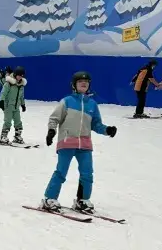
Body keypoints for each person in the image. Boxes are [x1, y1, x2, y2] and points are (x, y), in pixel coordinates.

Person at [39, 70, 117, 215]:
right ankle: (49, 199)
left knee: (87, 173)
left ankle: (83, 200)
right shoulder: (67, 101)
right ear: (74, 85)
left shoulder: (92, 104)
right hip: (67, 142)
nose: (83, 84)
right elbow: (54, 118)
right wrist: (51, 131)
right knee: (61, 172)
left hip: (85, 145)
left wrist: (107, 130)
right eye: (80, 82)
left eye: (86, 82)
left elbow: (96, 124)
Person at [0, 66, 27, 145]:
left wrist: (23, 104)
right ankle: (3, 137)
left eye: (21, 76)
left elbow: (21, 96)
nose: (20, 77)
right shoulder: (9, 83)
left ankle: (17, 136)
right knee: (7, 121)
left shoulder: (21, 85)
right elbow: (3, 93)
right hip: (8, 106)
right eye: (19, 75)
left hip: (16, 106)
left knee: (18, 122)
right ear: (15, 74)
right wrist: (2, 101)